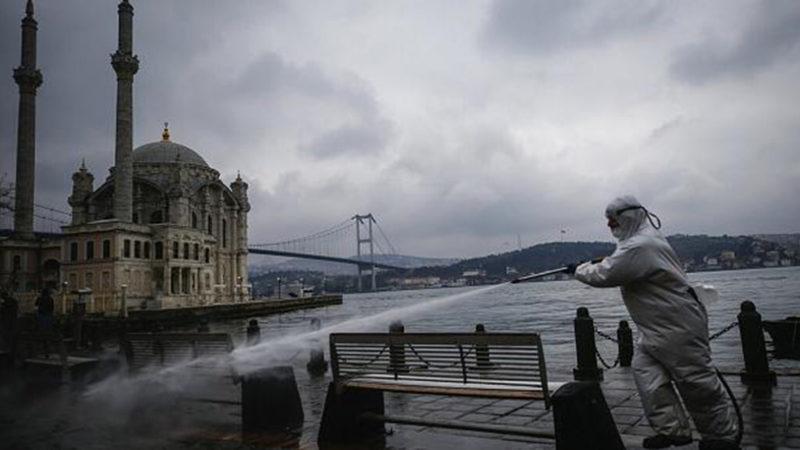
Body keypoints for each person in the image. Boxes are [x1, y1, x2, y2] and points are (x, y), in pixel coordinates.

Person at [570, 196, 738, 450]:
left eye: (612, 219)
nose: (609, 225)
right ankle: (673, 430)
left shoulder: (640, 245)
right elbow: (619, 263)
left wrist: (578, 269)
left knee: (696, 381)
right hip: (656, 327)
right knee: (647, 374)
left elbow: (607, 274)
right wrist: (602, 262)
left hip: (677, 323)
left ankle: (721, 437)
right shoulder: (642, 241)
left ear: (627, 216)